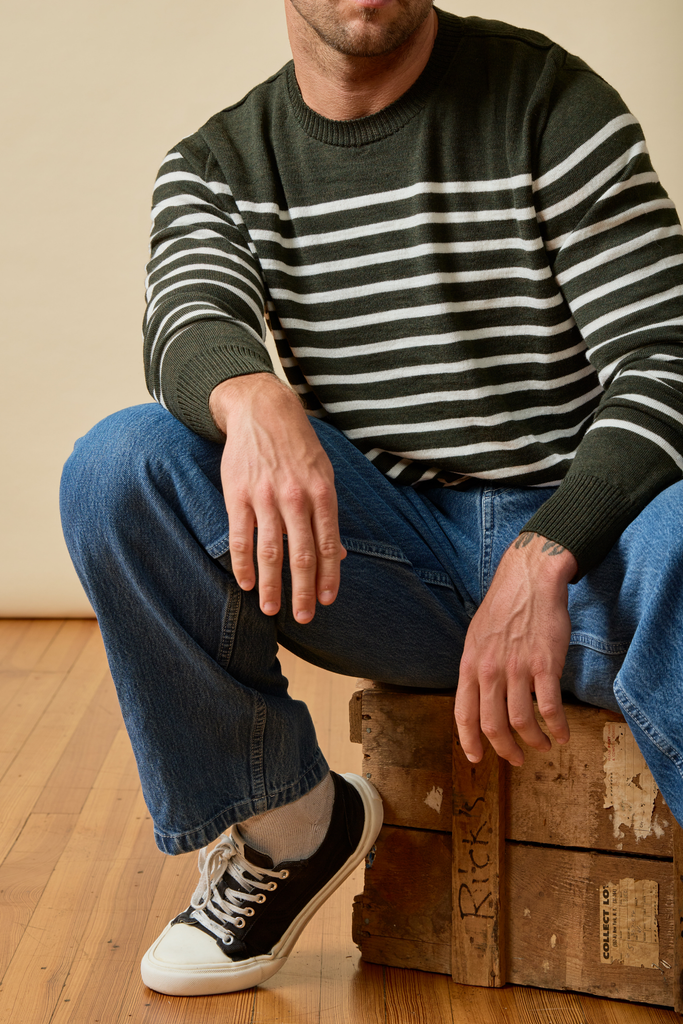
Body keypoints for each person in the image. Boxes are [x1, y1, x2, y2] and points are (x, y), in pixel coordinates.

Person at [60, 0, 683, 999]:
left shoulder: (548, 102)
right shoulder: (217, 164)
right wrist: (254, 396)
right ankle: (289, 825)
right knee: (117, 467)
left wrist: (547, 549)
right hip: (391, 564)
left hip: (594, 558)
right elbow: (189, 318)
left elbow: (663, 359)